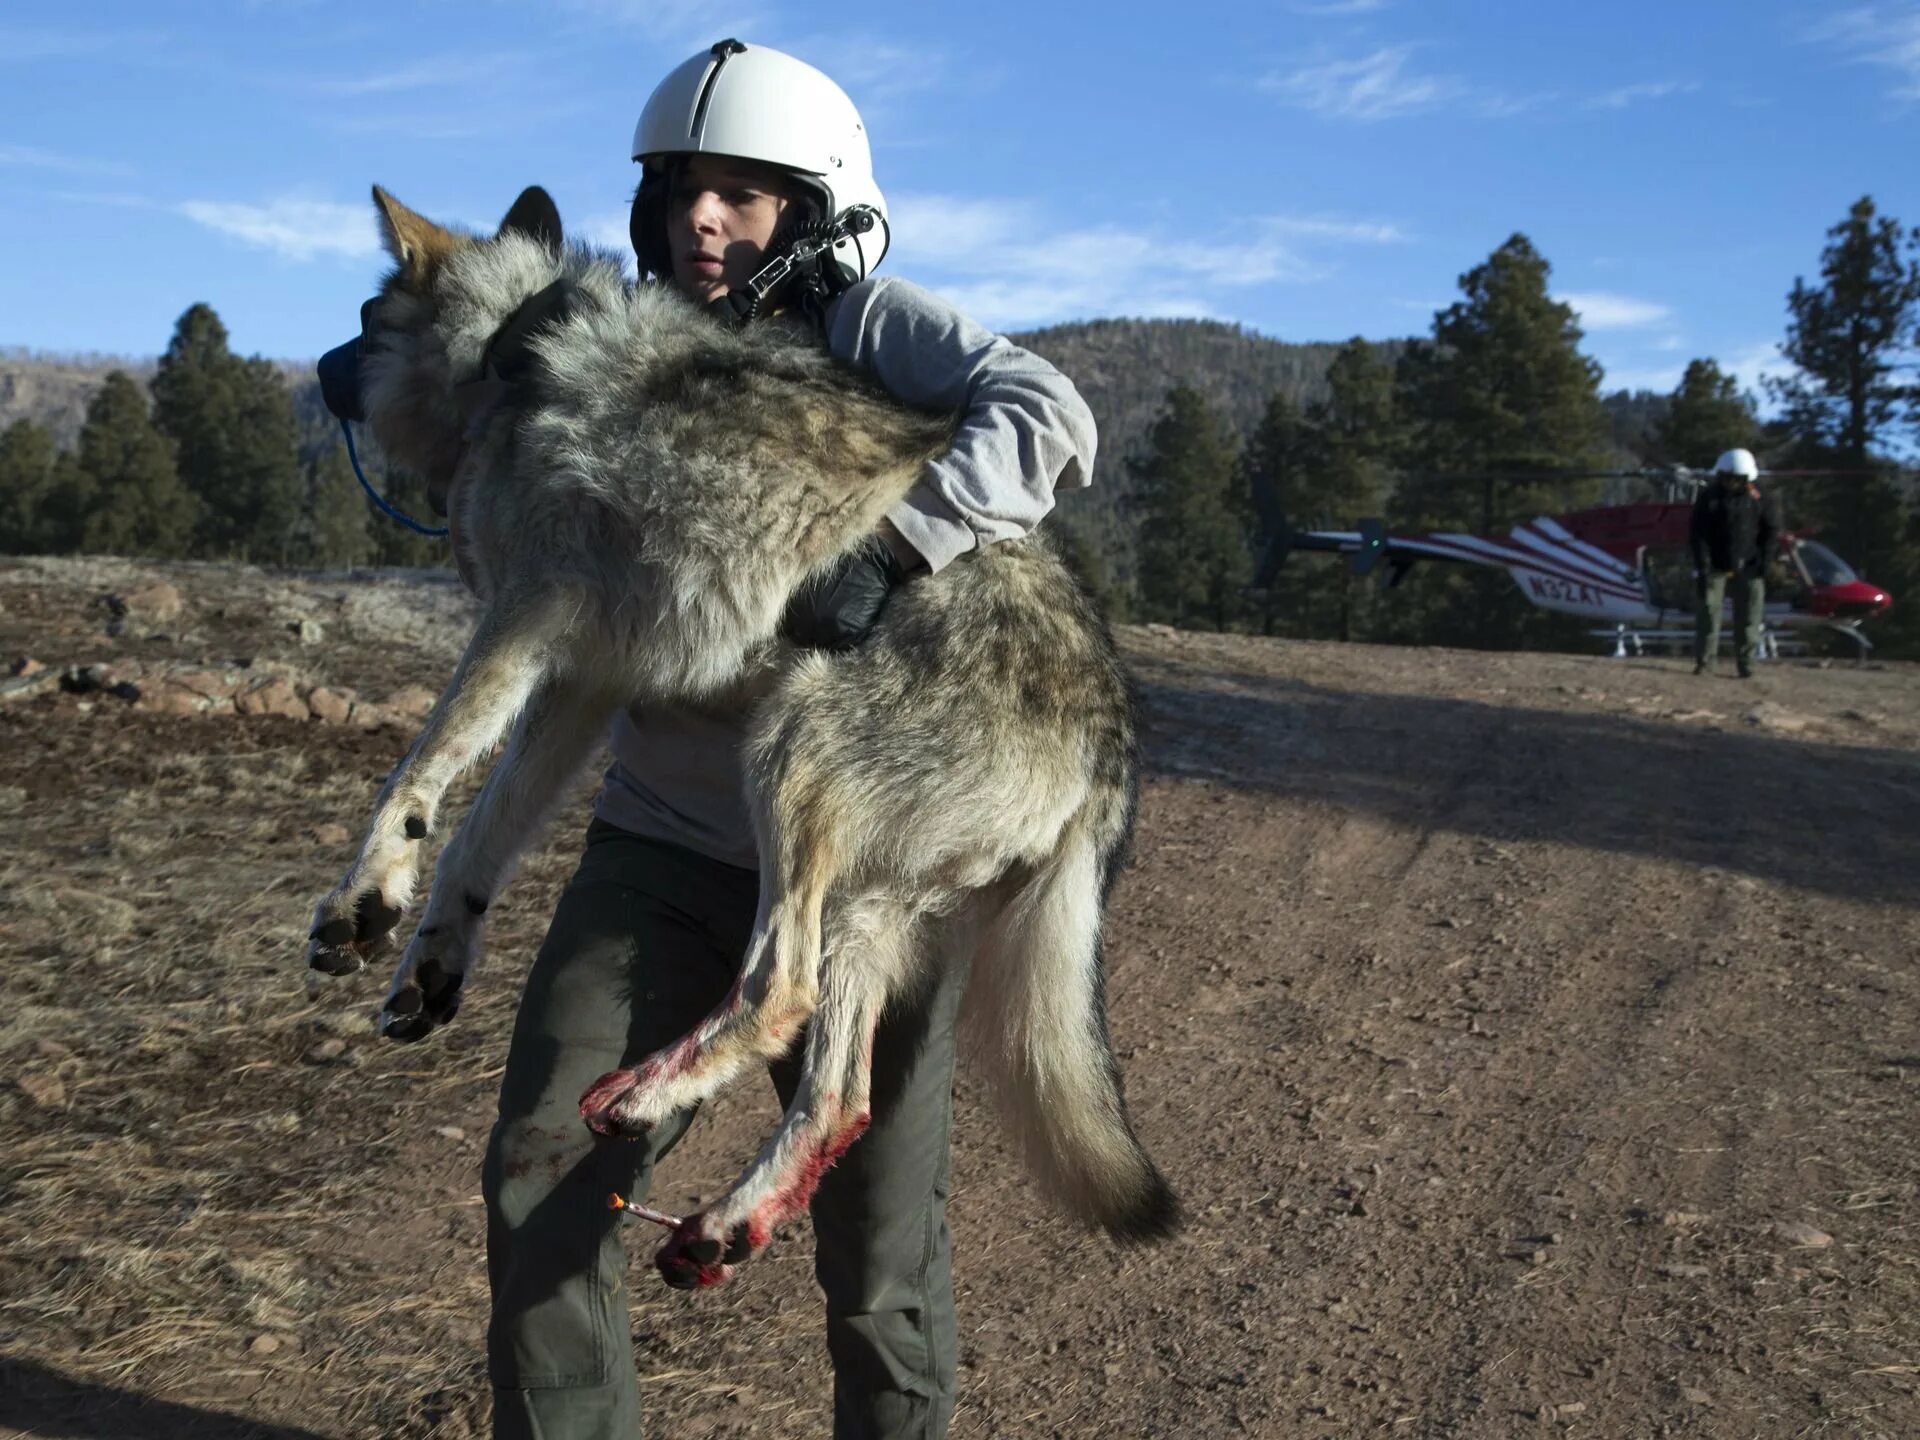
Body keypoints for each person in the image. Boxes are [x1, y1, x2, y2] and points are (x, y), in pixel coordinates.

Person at [481, 39, 1099, 1440]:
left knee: (877, 1259)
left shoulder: (870, 324)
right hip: (666, 839)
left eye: (747, 197)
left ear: (815, 214)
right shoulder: (635, 347)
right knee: (540, 1172)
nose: (704, 221)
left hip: (871, 867)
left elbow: (1049, 412)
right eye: (683, 195)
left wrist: (900, 540)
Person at [1689, 447, 1774, 679]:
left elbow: (1770, 532)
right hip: (1715, 566)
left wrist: (1763, 564)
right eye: (1727, 478)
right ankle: (1705, 663)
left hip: (1749, 566)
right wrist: (1702, 566)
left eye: (1736, 479)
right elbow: (1698, 535)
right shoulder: (1709, 498)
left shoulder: (1759, 499)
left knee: (1749, 618)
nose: (1731, 483)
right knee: (1708, 614)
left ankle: (1747, 665)